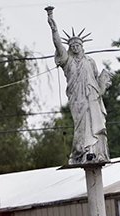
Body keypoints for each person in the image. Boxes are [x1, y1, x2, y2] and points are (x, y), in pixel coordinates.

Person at [45, 6, 111, 165]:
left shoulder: (90, 61)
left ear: (82, 46)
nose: (75, 47)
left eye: (77, 45)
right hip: (77, 99)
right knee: (81, 126)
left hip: (92, 97)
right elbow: (58, 45)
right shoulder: (67, 61)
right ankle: (80, 152)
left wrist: (102, 84)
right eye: (72, 45)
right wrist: (53, 28)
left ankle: (96, 152)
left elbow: (95, 79)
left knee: (95, 123)